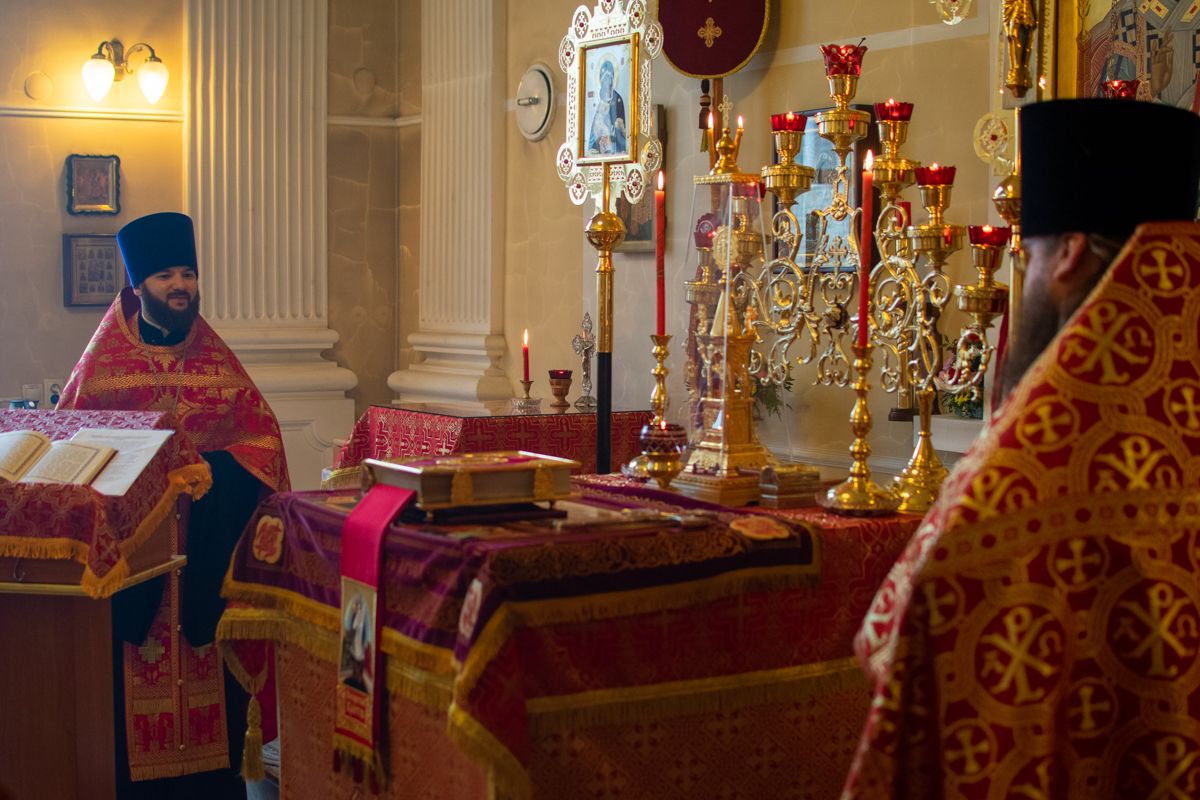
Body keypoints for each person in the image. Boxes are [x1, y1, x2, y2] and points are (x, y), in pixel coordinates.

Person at [842, 99, 1200, 798]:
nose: (1023, 276)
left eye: (1027, 256)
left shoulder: (1025, 477)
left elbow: (917, 627)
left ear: (1068, 253)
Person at [57, 211, 289, 798]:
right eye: (165, 276)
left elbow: (263, 442)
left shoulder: (217, 364)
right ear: (139, 286)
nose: (180, 285)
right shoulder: (103, 369)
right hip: (135, 573)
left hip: (205, 561)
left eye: (188, 273)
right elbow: (72, 456)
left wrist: (208, 474)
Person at [587, 57, 627, 155]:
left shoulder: (618, 99)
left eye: (609, 80)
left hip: (615, 143)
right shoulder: (599, 102)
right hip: (601, 144)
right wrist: (592, 147)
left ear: (612, 81)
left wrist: (618, 126)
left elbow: (622, 127)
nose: (607, 84)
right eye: (604, 81)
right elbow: (594, 131)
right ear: (601, 82)